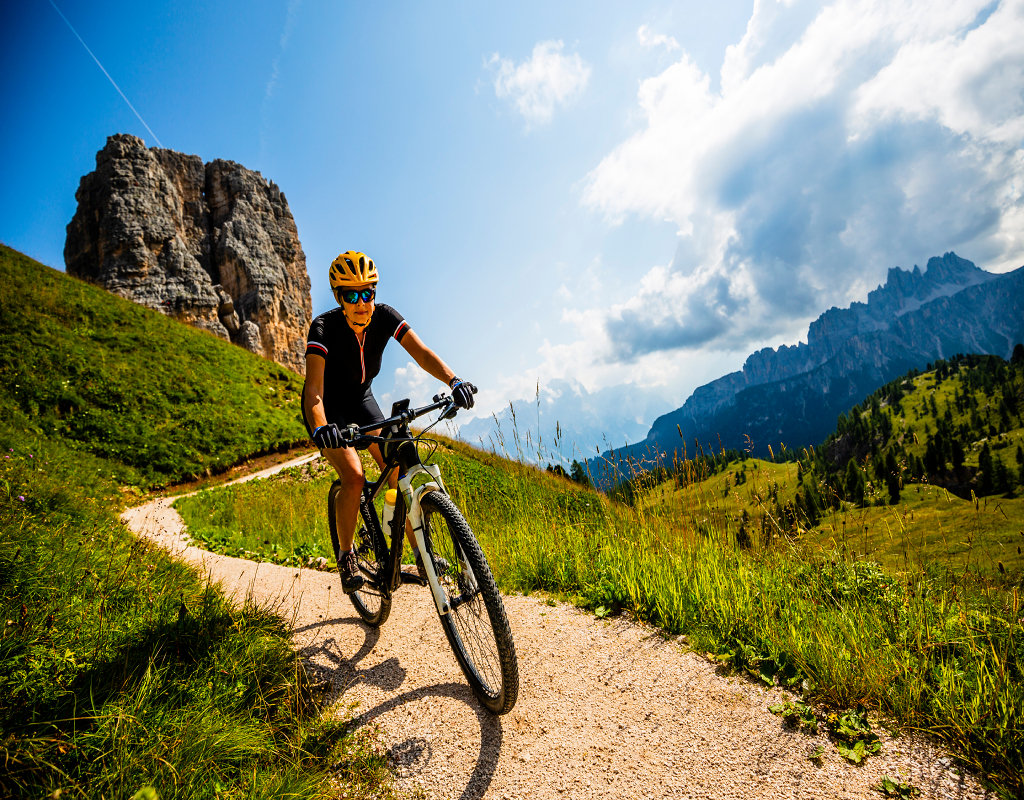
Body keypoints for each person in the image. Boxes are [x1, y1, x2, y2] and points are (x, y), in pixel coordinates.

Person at [302, 251, 476, 593]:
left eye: (368, 293)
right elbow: (314, 392)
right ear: (339, 298)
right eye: (352, 295)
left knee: (398, 470)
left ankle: (421, 554)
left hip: (362, 400)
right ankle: (347, 555)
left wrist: (454, 381)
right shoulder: (323, 328)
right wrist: (322, 427)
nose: (362, 303)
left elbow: (422, 353)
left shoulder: (384, 316)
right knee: (354, 476)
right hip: (329, 409)